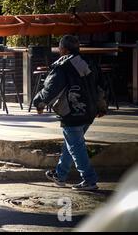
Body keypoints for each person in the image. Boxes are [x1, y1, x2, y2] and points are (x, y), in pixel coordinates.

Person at [33, 35, 107, 191]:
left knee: (76, 146)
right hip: (90, 112)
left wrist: (39, 102)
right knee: (72, 144)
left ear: (63, 49)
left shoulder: (62, 66)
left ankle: (89, 179)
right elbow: (100, 86)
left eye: (60, 48)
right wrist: (101, 107)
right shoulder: (90, 63)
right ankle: (60, 175)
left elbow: (51, 88)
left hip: (72, 112)